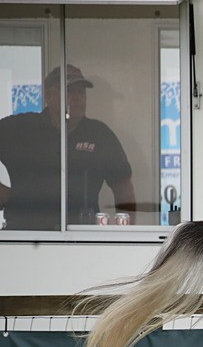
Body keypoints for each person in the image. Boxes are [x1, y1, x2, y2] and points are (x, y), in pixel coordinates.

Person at [0, 64, 135, 231]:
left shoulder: (99, 134)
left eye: (81, 92)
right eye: (69, 91)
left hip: (82, 237)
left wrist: (125, 233)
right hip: (24, 236)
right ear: (49, 95)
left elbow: (122, 185)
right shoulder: (21, 129)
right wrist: (5, 193)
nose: (77, 97)